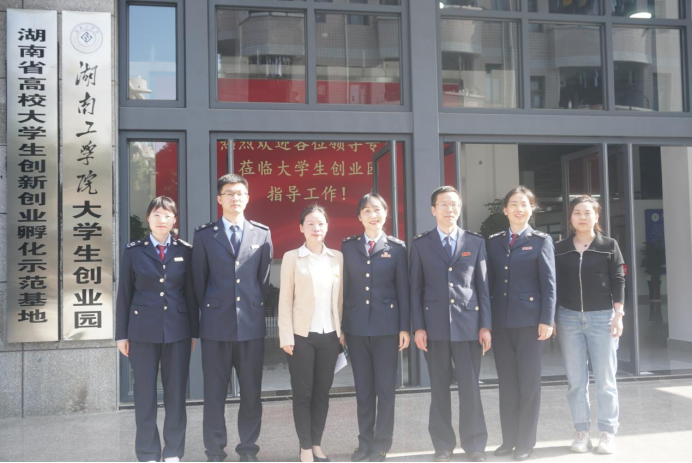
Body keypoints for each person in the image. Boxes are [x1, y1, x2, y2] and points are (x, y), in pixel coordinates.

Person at [192, 174, 273, 463]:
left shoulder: (262, 233)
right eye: (229, 193)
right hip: (216, 327)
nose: (235, 198)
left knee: (251, 393)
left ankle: (248, 449)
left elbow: (263, 281)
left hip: (250, 326)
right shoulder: (204, 235)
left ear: (247, 198)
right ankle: (215, 451)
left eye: (240, 193)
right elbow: (199, 281)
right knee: (214, 394)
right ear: (219, 199)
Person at [410, 186, 492, 463]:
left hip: (469, 326)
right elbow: (415, 290)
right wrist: (418, 327)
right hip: (434, 329)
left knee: (471, 389)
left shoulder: (475, 242)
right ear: (433, 210)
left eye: (454, 204)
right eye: (444, 204)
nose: (450, 209)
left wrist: (485, 325)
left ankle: (475, 445)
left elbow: (483, 287)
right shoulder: (421, 244)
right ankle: (443, 446)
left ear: (460, 208)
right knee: (439, 389)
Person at [116, 196, 199, 463]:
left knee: (176, 395)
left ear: (174, 220)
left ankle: (173, 451)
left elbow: (190, 294)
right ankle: (148, 453)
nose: (162, 220)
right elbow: (124, 294)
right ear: (148, 219)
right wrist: (121, 334)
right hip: (141, 332)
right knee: (144, 395)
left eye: (167, 215)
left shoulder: (185, 251)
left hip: (178, 332)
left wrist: (194, 332)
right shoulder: (134, 251)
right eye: (156, 214)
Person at [487, 186, 556, 461]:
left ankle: (526, 442)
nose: (519, 209)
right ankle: (508, 441)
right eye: (513, 204)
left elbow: (549, 285)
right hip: (501, 324)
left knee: (529, 384)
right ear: (505, 210)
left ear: (532, 209)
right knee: (507, 384)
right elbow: (488, 284)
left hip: (530, 324)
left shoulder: (541, 241)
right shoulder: (494, 242)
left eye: (524, 204)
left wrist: (547, 319)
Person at [341, 193, 410, 463]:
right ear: (359, 216)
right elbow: (344, 289)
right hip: (356, 328)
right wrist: (342, 327)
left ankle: (381, 444)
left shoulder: (397, 248)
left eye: (378, 210)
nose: (373, 215)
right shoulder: (348, 247)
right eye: (367, 211)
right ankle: (364, 443)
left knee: (385, 389)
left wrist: (404, 327)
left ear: (385, 213)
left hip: (387, 328)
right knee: (364, 390)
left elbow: (403, 290)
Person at [555, 195, 626, 455]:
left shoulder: (609, 245)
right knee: (576, 380)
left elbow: (618, 279)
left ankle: (607, 432)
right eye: (577, 212)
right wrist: (552, 317)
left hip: (602, 317)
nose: (582, 217)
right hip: (568, 317)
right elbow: (554, 284)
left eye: (588, 212)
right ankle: (581, 432)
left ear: (596, 216)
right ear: (570, 217)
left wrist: (619, 314)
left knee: (606, 379)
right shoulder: (559, 248)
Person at [279, 204, 345, 463]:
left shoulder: (337, 257)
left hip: (330, 336)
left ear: (327, 227)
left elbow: (340, 299)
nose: (316, 228)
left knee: (322, 393)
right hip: (301, 336)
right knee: (303, 393)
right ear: (301, 228)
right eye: (310, 224)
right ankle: (304, 447)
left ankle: (316, 443)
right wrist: (286, 336)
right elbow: (285, 300)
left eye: (321, 223)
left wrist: (342, 333)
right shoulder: (292, 257)